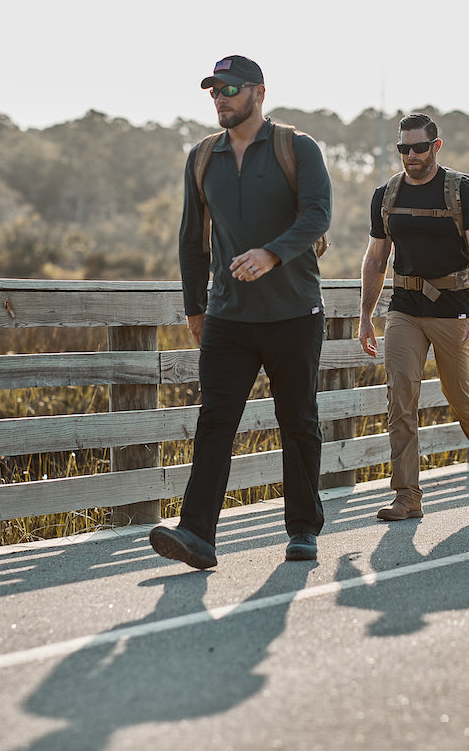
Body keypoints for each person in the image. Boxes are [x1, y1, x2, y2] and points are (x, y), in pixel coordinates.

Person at [150, 55, 332, 569]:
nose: (220, 97)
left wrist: (272, 252)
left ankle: (302, 529)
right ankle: (197, 534)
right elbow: (191, 237)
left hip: (294, 312)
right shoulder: (202, 156)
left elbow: (318, 214)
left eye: (230, 88)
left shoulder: (296, 148)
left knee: (297, 421)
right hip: (228, 317)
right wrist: (195, 307)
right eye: (213, 89)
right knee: (215, 421)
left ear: (258, 92)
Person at [359, 113, 469, 520]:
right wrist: (365, 316)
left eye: (419, 148)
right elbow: (375, 260)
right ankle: (407, 495)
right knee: (400, 398)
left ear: (436, 146)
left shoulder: (462, 190)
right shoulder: (386, 195)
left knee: (460, 397)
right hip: (404, 309)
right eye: (403, 148)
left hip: (454, 308)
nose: (411, 155)